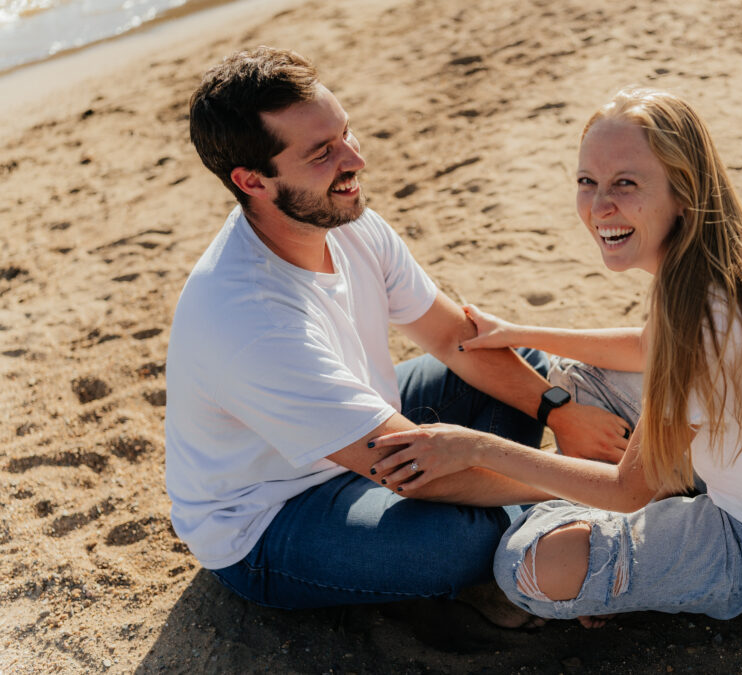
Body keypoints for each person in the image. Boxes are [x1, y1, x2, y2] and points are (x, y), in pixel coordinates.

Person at [369, 87, 742, 625]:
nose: (599, 206)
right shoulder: (730, 249)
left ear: (682, 190)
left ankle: (617, 564)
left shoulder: (699, 320)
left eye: (625, 184)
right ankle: (630, 541)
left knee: (524, 565)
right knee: (580, 378)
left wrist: (474, 447)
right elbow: (645, 348)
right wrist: (520, 332)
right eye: (587, 182)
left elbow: (626, 491)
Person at [164, 46, 631, 620]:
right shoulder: (248, 320)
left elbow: (452, 336)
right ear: (252, 181)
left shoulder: (344, 219)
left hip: (369, 430)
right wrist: (592, 484)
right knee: (451, 541)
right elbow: (411, 473)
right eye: (322, 153)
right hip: (274, 517)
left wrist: (559, 411)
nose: (354, 159)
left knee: (519, 363)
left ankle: (531, 525)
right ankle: (535, 539)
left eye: (345, 133)